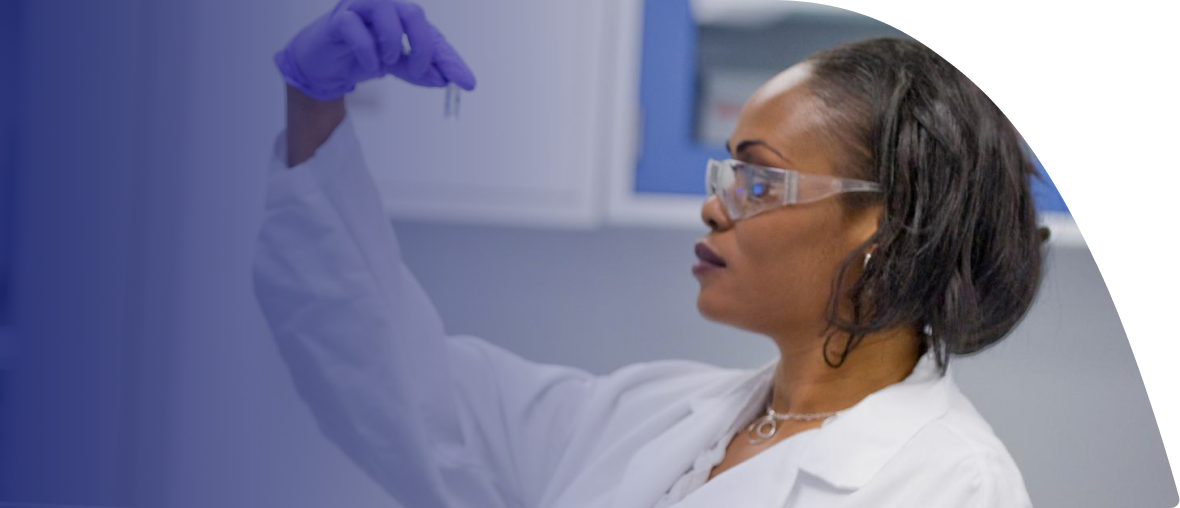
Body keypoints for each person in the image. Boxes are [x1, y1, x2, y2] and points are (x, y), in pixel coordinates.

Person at [253, 1, 1046, 506]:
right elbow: (402, 387)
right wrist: (313, 103)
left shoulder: (948, 483)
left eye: (757, 180)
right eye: (723, 173)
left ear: (883, 226)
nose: (712, 205)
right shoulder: (655, 417)